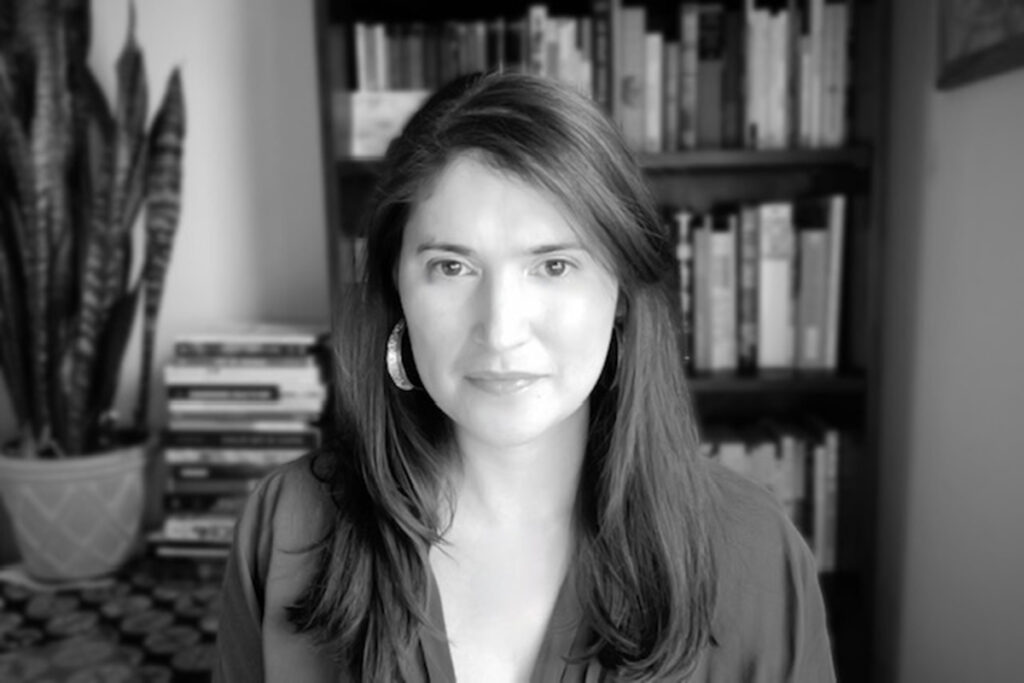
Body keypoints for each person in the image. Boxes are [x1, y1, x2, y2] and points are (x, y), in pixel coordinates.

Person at [214, 72, 836, 682]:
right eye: (452, 266)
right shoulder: (287, 526)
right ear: (396, 287)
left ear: (619, 292)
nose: (502, 329)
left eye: (555, 265)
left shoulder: (754, 551)